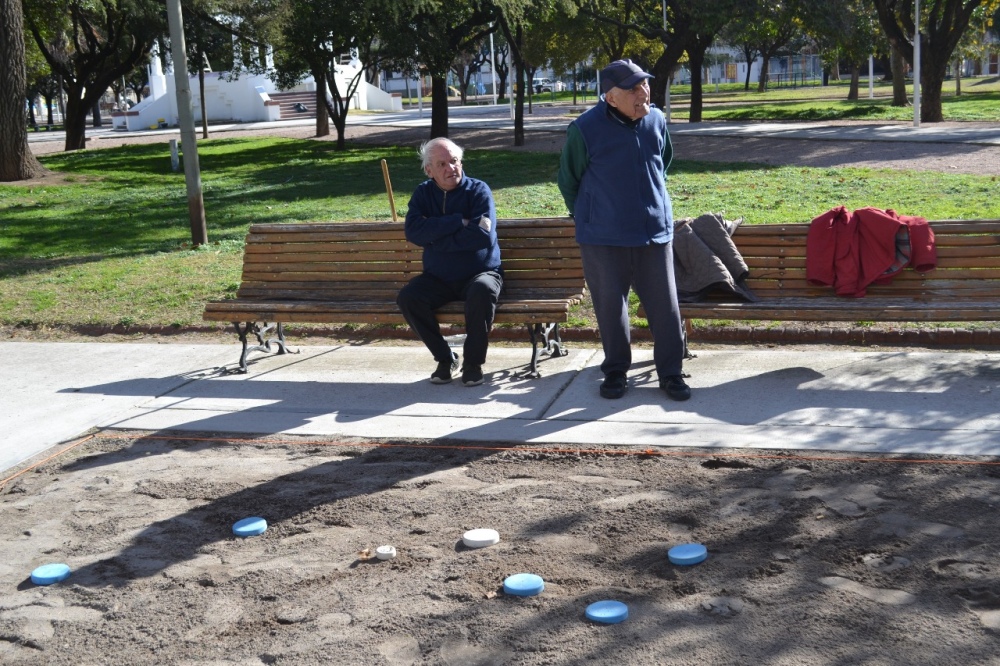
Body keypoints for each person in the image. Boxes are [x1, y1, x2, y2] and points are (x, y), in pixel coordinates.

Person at [556, 59, 691, 402]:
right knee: (610, 307)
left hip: (653, 233)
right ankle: (616, 371)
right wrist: (592, 214)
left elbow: (664, 160)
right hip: (603, 237)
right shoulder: (584, 129)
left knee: (665, 307)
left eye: (644, 84)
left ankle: (671, 373)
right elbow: (569, 181)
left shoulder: (656, 120)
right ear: (611, 98)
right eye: (632, 88)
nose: (642, 92)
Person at [396, 137, 503, 387]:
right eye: (442, 164)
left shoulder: (478, 191)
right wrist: (457, 222)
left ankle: (473, 363)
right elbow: (413, 232)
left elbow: (483, 236)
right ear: (429, 170)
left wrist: (435, 240)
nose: (450, 168)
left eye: (454, 161)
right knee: (409, 298)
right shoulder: (423, 194)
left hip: (481, 272)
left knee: (482, 290)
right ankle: (446, 358)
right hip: (439, 278)